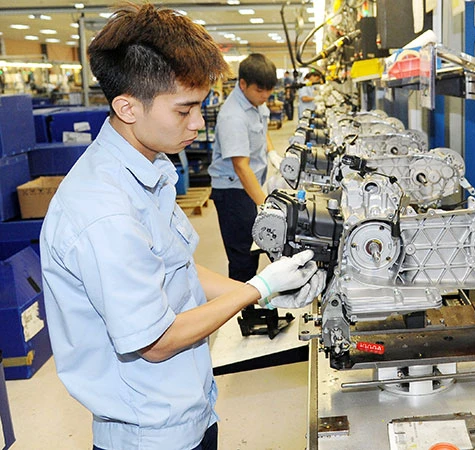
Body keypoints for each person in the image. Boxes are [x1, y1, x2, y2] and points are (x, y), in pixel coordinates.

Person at [39, 5, 324, 450]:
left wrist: (263, 290)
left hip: (188, 407)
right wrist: (259, 288)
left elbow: (180, 269)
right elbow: (155, 341)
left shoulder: (148, 170)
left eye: (201, 106)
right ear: (127, 107)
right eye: (184, 109)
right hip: (150, 434)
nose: (197, 123)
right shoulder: (104, 211)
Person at [207, 54, 290, 337]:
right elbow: (240, 166)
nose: (265, 96)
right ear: (242, 84)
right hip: (233, 192)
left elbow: (262, 129)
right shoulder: (232, 116)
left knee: (257, 247)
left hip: (252, 184)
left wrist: (272, 153)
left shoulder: (255, 103)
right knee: (243, 254)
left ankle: (253, 304)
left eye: (269, 90)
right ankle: (241, 314)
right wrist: (264, 205)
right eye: (260, 90)